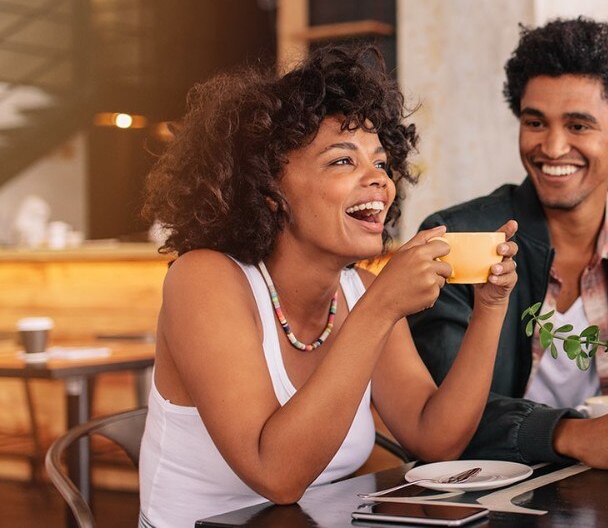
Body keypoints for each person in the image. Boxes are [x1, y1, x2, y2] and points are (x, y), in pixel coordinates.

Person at [137, 47, 518, 527]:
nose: (378, 179)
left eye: (381, 163)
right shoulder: (205, 279)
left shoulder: (359, 288)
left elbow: (435, 437)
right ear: (269, 190)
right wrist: (382, 307)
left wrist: (491, 307)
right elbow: (276, 476)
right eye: (342, 161)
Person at [408, 18, 608, 470]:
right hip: (492, 491)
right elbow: (439, 412)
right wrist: (569, 434)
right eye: (535, 122)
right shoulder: (459, 238)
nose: (552, 147)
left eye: (578, 126)